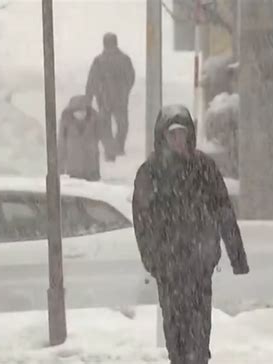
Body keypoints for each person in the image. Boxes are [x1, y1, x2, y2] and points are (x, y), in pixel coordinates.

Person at [132, 105, 249, 364]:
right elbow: (142, 222)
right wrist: (154, 260)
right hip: (169, 268)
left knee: (199, 332)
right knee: (175, 333)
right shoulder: (150, 172)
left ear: (189, 135)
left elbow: (224, 211)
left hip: (199, 264)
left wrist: (236, 255)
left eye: (181, 134)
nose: (177, 140)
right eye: (171, 134)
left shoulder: (204, 167)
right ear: (162, 137)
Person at [86, 32, 135, 160]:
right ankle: (116, 148)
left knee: (106, 127)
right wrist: (124, 91)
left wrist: (89, 98)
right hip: (117, 99)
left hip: (105, 99)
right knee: (121, 126)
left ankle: (111, 150)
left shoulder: (99, 61)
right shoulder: (124, 59)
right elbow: (130, 78)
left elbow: (92, 81)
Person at [58, 95, 101, 182]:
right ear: (72, 112)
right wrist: (60, 169)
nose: (81, 114)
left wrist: (96, 171)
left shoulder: (93, 121)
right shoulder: (66, 123)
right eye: (78, 111)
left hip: (90, 167)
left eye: (83, 111)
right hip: (73, 168)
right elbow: (61, 146)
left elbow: (98, 142)